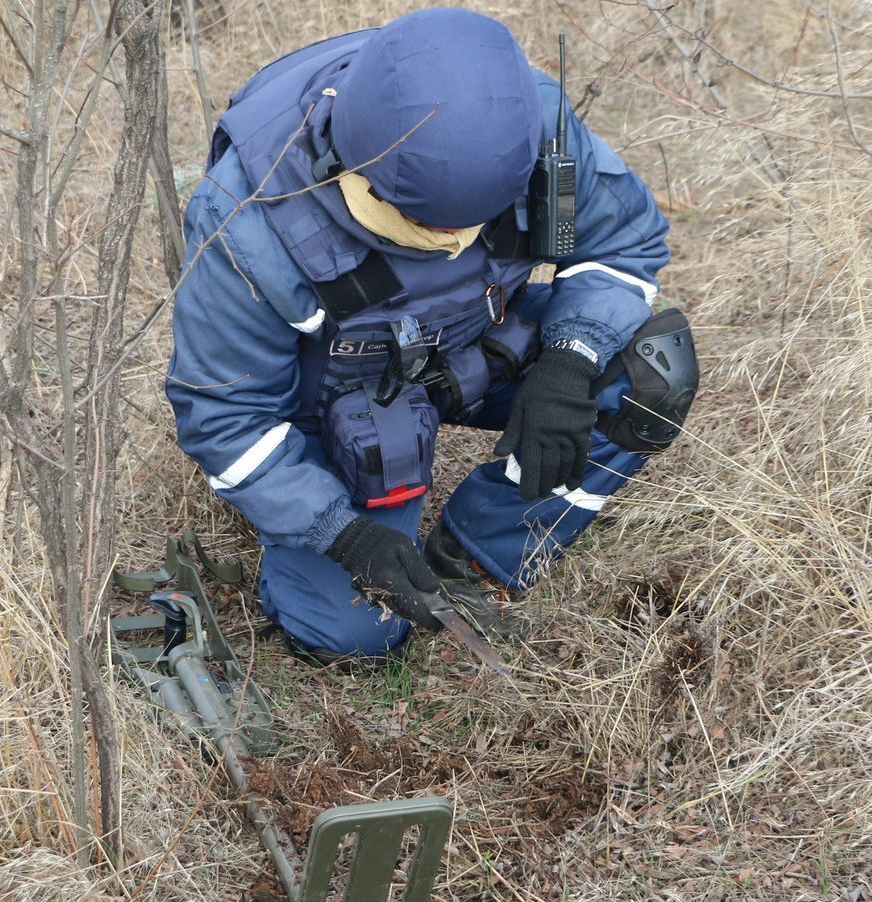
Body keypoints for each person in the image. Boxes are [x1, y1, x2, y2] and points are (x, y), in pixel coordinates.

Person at [167, 7, 698, 667]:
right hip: (338, 396)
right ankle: (325, 548)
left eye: (476, 225)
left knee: (650, 374)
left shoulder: (527, 126)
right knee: (356, 636)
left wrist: (570, 360)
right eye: (428, 228)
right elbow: (226, 416)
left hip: (480, 344)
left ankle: (477, 550)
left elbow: (623, 244)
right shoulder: (249, 218)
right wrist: (342, 534)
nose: (454, 244)